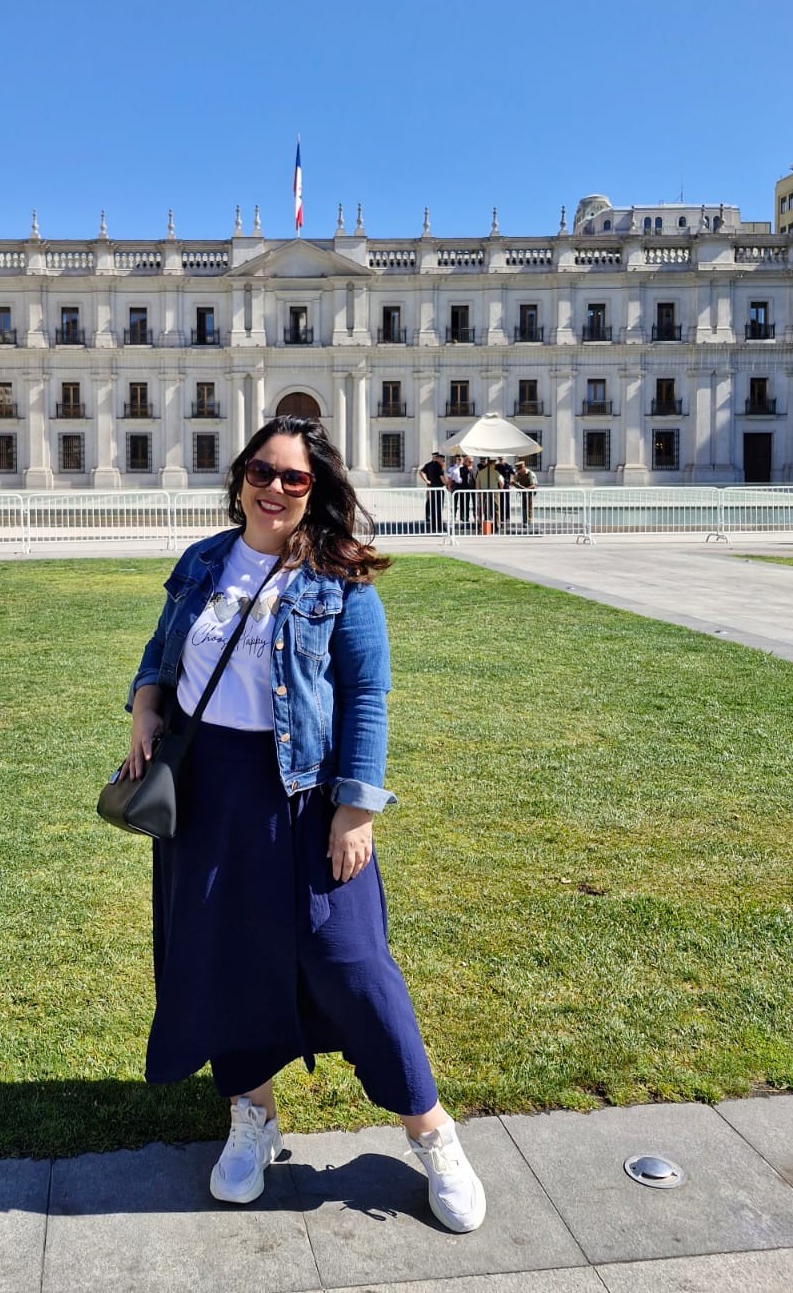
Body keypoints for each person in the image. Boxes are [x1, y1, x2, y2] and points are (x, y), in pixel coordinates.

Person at [120, 416, 486, 1233]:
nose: (275, 488)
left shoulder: (340, 576)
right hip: (209, 792)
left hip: (304, 793)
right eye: (263, 471)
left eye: (294, 478)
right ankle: (253, 1116)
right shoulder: (204, 561)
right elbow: (162, 652)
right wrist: (145, 707)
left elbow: (365, 697)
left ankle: (431, 1132)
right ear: (241, 476)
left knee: (349, 959)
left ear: (317, 490)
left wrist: (356, 809)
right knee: (225, 955)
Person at [418, 450, 447, 533]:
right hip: (438, 488)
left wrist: (427, 481)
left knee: (433, 506)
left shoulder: (429, 465)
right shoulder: (438, 466)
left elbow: (421, 472)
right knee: (438, 507)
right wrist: (447, 483)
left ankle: (434, 524)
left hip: (431, 488)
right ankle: (438, 525)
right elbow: (442, 478)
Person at [474, 456, 502, 532]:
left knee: (483, 509)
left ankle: (483, 527)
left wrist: (478, 493)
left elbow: (477, 484)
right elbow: (501, 482)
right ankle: (496, 527)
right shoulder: (496, 472)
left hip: (483, 492)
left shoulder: (481, 472)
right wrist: (501, 490)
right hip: (494, 492)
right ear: (492, 463)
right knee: (496, 509)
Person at [513, 459, 537, 529]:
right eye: (518, 469)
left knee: (529, 507)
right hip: (523, 492)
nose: (519, 471)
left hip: (530, 492)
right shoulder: (518, 474)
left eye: (520, 469)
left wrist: (526, 489)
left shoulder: (530, 473)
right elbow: (514, 482)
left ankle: (529, 522)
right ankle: (524, 522)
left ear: (523, 467)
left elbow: (533, 485)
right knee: (524, 507)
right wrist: (514, 482)